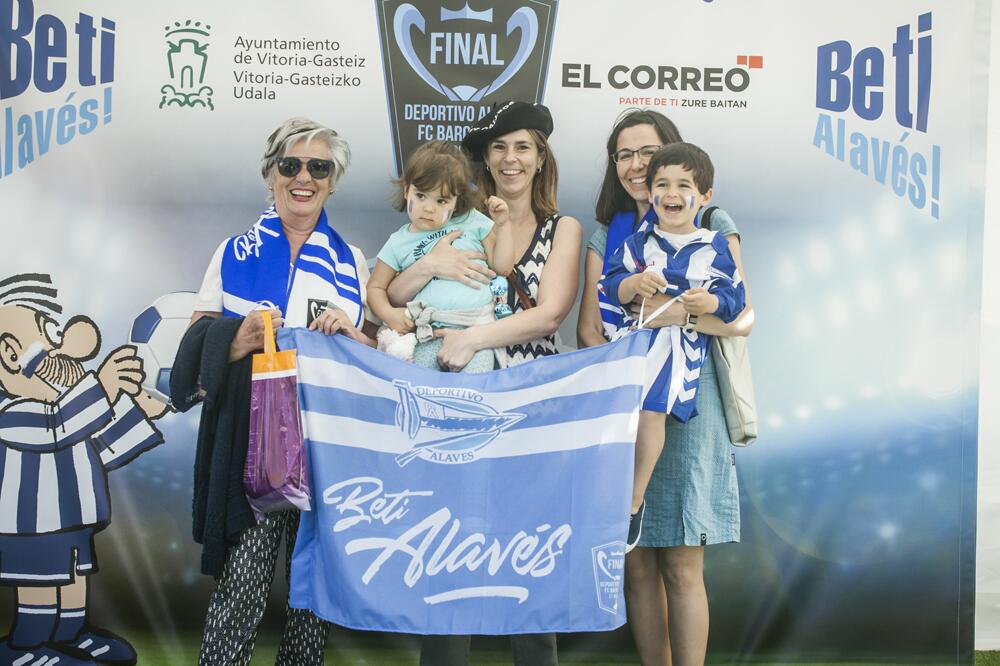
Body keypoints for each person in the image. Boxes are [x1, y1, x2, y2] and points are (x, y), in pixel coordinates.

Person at [385, 100, 582, 666]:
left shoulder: (562, 228)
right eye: (499, 147)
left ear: (541, 156)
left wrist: (472, 338)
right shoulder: (452, 225)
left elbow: (549, 314)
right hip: (453, 400)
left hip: (530, 402)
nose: (511, 157)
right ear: (485, 162)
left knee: (528, 544)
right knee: (450, 540)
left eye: (522, 146)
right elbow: (398, 295)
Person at [176, 117, 378, 666]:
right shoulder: (234, 251)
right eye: (291, 165)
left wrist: (354, 334)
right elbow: (194, 343)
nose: (304, 176)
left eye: (320, 167)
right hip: (252, 440)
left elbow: (373, 356)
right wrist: (234, 337)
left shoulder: (353, 262)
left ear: (333, 182)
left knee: (313, 595)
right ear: (270, 176)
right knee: (242, 584)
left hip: (325, 443)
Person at [577, 109, 753, 666]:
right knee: (636, 561)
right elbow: (588, 326)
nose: (636, 165)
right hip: (623, 387)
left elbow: (742, 315)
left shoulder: (713, 223)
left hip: (691, 393)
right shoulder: (611, 232)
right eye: (624, 154)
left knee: (681, 558)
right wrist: (635, 302)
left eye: (647, 152)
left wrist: (676, 315)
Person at [0, 274, 166, 666]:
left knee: (73, 580)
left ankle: (72, 635)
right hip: (30, 526)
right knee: (40, 585)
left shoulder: (69, 409)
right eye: (46, 333)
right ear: (10, 355)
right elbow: (56, 427)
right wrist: (104, 386)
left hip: (72, 519)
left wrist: (143, 406)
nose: (60, 346)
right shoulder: (10, 411)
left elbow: (100, 443)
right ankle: (27, 647)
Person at [599, 143, 745, 553]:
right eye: (662, 184)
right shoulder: (638, 243)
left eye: (684, 184)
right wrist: (632, 285)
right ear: (650, 191)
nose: (672, 193)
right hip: (633, 345)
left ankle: (631, 501)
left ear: (705, 196)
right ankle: (616, 498)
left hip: (678, 349)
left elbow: (734, 301)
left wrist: (707, 304)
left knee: (650, 410)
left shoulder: (714, 245)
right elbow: (610, 285)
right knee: (622, 413)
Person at [367, 140, 514, 372]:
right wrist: (388, 314)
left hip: (474, 331)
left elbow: (503, 267)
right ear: (407, 190)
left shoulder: (472, 221)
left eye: (442, 200)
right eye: (421, 195)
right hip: (426, 333)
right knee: (425, 394)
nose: (429, 208)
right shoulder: (398, 241)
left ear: (456, 202)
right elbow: (375, 287)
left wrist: (504, 227)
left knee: (471, 394)